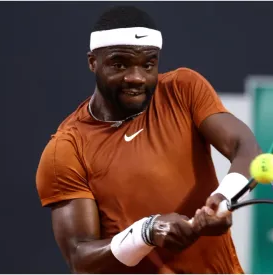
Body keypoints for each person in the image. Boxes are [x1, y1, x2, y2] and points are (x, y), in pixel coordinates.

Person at [36, 5, 261, 274]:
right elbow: (81, 260)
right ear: (92, 62)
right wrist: (146, 233)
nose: (136, 77)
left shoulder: (184, 89)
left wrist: (223, 198)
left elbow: (245, 148)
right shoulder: (66, 149)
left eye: (148, 64)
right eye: (119, 64)